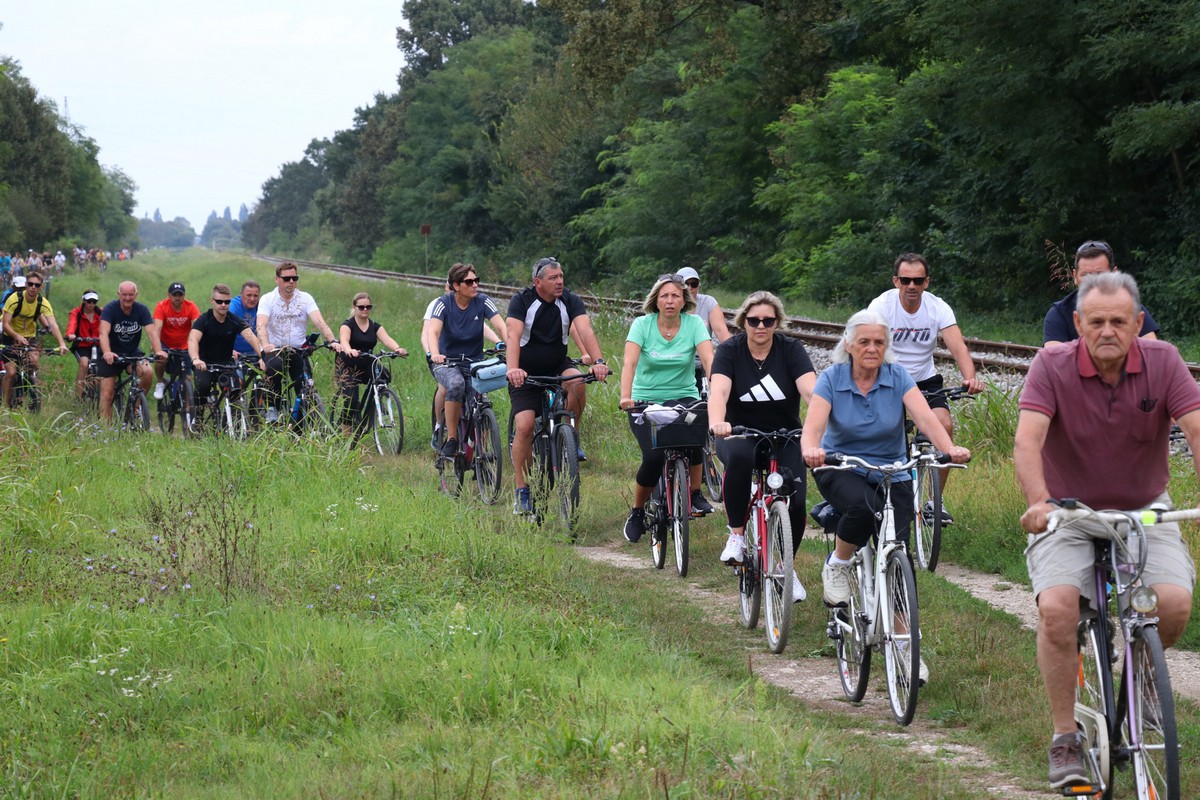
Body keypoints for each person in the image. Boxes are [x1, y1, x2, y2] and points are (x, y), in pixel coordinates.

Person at [1014, 271, 1200, 789]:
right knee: (1057, 609)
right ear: (1078, 323)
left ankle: (1141, 688)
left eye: (1120, 321)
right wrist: (1039, 502)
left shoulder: (1163, 362)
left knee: (1174, 602)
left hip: (1143, 507)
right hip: (1068, 510)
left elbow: (1196, 427)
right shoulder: (1050, 365)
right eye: (1096, 321)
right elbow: (1028, 441)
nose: (1108, 330)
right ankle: (1064, 737)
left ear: (1138, 323)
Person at [801, 309, 969, 679]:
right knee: (861, 509)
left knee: (897, 554)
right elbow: (812, 428)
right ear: (849, 344)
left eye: (879, 342)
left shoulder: (898, 376)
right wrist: (812, 449)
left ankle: (907, 648)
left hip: (893, 471)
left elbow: (925, 418)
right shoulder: (831, 378)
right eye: (864, 342)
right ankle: (839, 564)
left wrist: (949, 448)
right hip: (839, 465)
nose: (872, 348)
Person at [709, 291, 817, 599]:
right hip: (739, 432)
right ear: (743, 322)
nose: (760, 326)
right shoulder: (730, 351)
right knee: (741, 458)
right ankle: (737, 536)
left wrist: (822, 423)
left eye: (768, 321)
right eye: (754, 320)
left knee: (795, 502)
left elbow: (810, 391)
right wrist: (718, 422)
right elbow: (719, 392)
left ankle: (786, 566)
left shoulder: (791, 349)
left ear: (776, 323)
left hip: (786, 435)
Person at [867, 253, 983, 523]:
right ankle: (880, 496)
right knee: (885, 437)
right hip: (889, 377)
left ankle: (933, 503)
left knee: (944, 427)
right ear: (896, 281)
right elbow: (866, 343)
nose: (911, 286)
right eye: (905, 280)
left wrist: (970, 378)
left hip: (925, 380)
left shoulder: (937, 307)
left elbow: (957, 346)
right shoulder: (881, 305)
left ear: (926, 282)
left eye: (917, 280)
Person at [506, 256, 611, 515]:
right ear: (537, 282)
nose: (559, 281)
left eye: (561, 276)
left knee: (577, 382)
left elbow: (585, 330)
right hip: (525, 372)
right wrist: (513, 369)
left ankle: (570, 437)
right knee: (525, 426)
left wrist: (598, 361)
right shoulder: (522, 301)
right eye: (553, 277)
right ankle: (522, 490)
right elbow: (512, 335)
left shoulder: (570, 301)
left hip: (556, 364)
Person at [618, 273, 716, 542]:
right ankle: (637, 511)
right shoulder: (642, 325)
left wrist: (718, 391)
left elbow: (709, 360)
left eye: (675, 295)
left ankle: (694, 493)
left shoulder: (694, 323)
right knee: (653, 457)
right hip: (645, 401)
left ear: (684, 300)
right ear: (656, 300)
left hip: (683, 396)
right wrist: (626, 396)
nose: (670, 301)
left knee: (696, 439)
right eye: (665, 296)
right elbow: (630, 363)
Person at [427, 264, 505, 455]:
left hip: (473, 362)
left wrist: (509, 344)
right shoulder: (443, 303)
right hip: (446, 362)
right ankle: (452, 438)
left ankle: (480, 450)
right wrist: (435, 353)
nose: (475, 285)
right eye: (469, 282)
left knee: (479, 398)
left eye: (476, 281)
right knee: (455, 384)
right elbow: (433, 331)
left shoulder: (483, 302)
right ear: (455, 285)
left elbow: (502, 326)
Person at [256, 261, 343, 423]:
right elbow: (261, 324)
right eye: (286, 278)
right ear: (277, 279)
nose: (291, 282)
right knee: (274, 368)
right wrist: (266, 344)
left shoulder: (305, 298)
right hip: (274, 349)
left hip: (297, 349)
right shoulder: (268, 299)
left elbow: (319, 321)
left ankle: (303, 419)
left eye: (294, 278)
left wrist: (332, 340)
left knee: (304, 384)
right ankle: (272, 408)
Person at [1043, 239, 1159, 347]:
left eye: (1100, 274)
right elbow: (1054, 361)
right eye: (1086, 275)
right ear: (1075, 277)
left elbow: (1151, 354)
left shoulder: (1133, 310)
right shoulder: (1058, 314)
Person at [336, 291, 408, 434]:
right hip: (347, 365)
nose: (365, 310)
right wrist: (349, 350)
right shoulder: (347, 325)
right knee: (351, 400)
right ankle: (345, 433)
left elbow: (387, 339)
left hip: (366, 363)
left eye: (368, 307)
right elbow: (344, 340)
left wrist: (397, 348)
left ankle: (375, 403)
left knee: (384, 375)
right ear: (354, 307)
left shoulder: (374, 326)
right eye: (361, 307)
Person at [1, 269, 69, 406]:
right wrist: (16, 336)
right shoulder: (13, 299)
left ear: (41, 287)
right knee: (11, 372)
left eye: (37, 285)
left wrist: (62, 343)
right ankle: (5, 406)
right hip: (10, 337)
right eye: (30, 284)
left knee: (33, 363)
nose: (33, 287)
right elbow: (5, 323)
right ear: (26, 284)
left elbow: (53, 324)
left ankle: (29, 393)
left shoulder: (42, 303)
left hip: (29, 337)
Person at [98, 281, 164, 422]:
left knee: (148, 372)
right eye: (124, 295)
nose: (127, 298)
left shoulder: (141, 310)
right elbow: (103, 333)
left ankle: (135, 406)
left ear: (136, 295)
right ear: (118, 295)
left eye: (131, 295)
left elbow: (152, 333)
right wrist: (107, 352)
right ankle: (106, 432)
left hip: (131, 354)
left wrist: (159, 351)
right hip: (111, 354)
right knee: (107, 395)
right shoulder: (110, 309)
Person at [188, 284, 265, 404]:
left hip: (226, 365)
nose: (223, 305)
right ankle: (198, 419)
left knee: (236, 390)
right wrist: (195, 359)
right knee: (203, 387)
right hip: (204, 364)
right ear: (212, 301)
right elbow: (193, 339)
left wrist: (262, 356)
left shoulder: (233, 320)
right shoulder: (204, 320)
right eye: (219, 302)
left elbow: (251, 336)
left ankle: (231, 419)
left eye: (226, 302)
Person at [151, 282, 201, 400]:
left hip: (185, 345)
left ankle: (189, 415)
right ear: (169, 295)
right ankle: (160, 382)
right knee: (160, 359)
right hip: (166, 343)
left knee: (188, 378)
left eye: (180, 295)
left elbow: (197, 327)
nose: (177, 298)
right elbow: (156, 329)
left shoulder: (191, 306)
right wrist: (157, 349)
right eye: (174, 295)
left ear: (184, 295)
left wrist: (198, 345)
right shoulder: (161, 306)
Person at [65, 290, 103, 399]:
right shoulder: (76, 312)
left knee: (103, 366)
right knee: (84, 364)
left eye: (94, 301)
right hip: (81, 345)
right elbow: (72, 323)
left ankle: (101, 394)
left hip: (98, 344)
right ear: (83, 300)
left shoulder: (102, 312)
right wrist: (70, 334)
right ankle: (79, 397)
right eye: (89, 301)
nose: (91, 304)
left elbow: (108, 324)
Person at [228, 280, 261, 357]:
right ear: (241, 294)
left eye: (255, 296)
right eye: (249, 295)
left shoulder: (261, 306)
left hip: (256, 351)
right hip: (236, 353)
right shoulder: (233, 306)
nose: (252, 299)